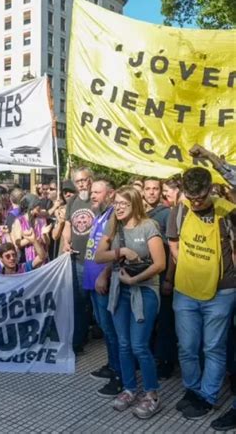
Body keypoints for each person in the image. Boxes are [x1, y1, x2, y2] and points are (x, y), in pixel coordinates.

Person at [167, 167, 235, 420]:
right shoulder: (181, 209)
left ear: (210, 189)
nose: (196, 203)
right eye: (191, 197)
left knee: (214, 347)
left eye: (201, 198)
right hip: (185, 290)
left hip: (221, 292)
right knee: (186, 347)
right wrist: (186, 263)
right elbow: (173, 241)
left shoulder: (227, 211)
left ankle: (208, 396)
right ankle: (192, 390)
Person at [95, 186, 166, 419]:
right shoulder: (114, 225)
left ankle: (152, 394)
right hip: (120, 289)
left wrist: (134, 278)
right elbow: (98, 255)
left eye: (124, 204)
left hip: (144, 290)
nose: (119, 207)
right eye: (116, 203)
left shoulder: (149, 227)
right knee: (123, 343)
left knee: (139, 345)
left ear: (135, 204)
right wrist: (122, 250)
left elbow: (159, 264)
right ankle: (129, 389)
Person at [83, 178, 121, 397]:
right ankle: (111, 364)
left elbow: (116, 249)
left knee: (112, 330)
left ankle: (119, 374)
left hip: (102, 282)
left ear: (110, 193)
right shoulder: (99, 215)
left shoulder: (113, 216)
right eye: (92, 192)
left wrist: (104, 275)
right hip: (92, 281)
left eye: (97, 192)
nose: (93, 195)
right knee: (105, 328)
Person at [143, 177, 176, 379]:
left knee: (165, 322)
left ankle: (166, 362)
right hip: (144, 277)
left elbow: (173, 250)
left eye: (156, 189)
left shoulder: (167, 214)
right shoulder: (140, 214)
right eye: (148, 189)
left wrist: (169, 279)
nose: (152, 192)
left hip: (162, 276)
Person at [62, 167, 96, 353]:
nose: (82, 184)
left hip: (96, 261)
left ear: (91, 180)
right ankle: (78, 340)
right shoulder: (73, 201)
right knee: (78, 301)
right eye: (78, 181)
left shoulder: (98, 200)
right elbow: (68, 224)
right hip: (77, 259)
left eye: (84, 180)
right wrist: (66, 242)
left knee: (97, 303)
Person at [11, 193, 50, 264]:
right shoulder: (20, 221)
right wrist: (32, 239)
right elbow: (18, 243)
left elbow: (47, 242)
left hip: (43, 260)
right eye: (37, 205)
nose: (40, 207)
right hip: (27, 261)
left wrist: (44, 235)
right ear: (31, 206)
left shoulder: (42, 220)